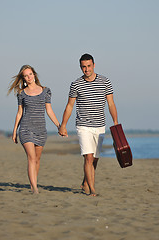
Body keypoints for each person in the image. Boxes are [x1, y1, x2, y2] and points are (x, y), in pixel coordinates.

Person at [59, 53, 118, 196]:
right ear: (80, 67)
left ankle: (86, 181)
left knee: (95, 159)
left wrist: (115, 122)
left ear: (94, 65)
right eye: (83, 67)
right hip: (83, 125)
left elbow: (110, 103)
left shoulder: (105, 81)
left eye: (89, 66)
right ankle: (92, 189)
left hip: (100, 125)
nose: (86, 69)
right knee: (89, 157)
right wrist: (63, 125)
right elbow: (69, 106)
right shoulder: (76, 84)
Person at [8, 65, 60, 194]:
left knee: (37, 159)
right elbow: (19, 113)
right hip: (25, 129)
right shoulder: (21, 93)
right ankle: (35, 189)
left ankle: (32, 185)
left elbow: (49, 110)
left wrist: (59, 126)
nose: (29, 77)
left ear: (34, 74)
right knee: (31, 158)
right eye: (26, 75)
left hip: (41, 130)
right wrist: (14, 131)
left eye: (30, 74)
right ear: (23, 78)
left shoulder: (46, 91)